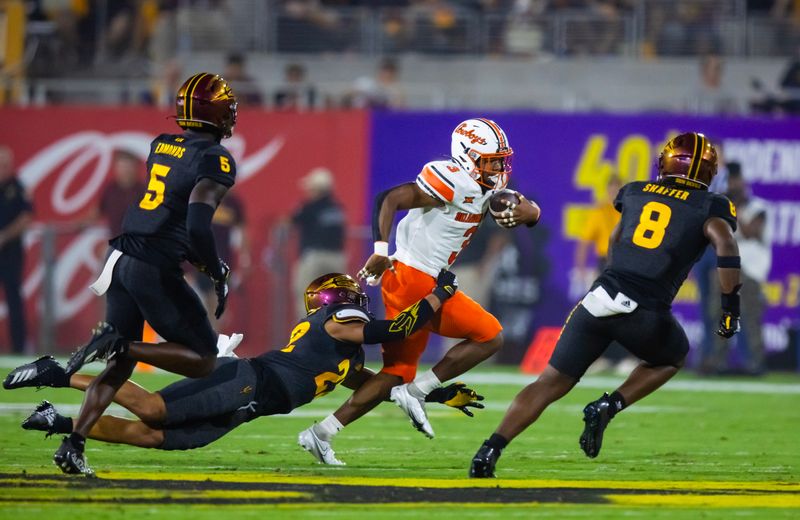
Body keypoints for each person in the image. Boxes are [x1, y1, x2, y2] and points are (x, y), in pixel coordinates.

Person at [5, 72, 239, 475]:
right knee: (202, 359)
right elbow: (199, 225)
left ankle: (73, 442)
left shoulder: (161, 144)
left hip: (122, 257)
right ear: (215, 113)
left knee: (118, 367)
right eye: (228, 108)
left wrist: (200, 260)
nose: (232, 115)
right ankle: (118, 344)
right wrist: (216, 269)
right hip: (153, 265)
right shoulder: (215, 159)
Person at [13, 272, 480, 473]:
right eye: (354, 296)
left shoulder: (344, 354)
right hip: (248, 381)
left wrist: (433, 395)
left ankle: (59, 421)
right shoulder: (340, 323)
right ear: (337, 301)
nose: (361, 301)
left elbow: (374, 386)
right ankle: (58, 372)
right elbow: (398, 326)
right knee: (154, 410)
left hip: (249, 406)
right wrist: (438, 295)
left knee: (155, 437)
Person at [469, 132, 741, 478]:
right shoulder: (712, 205)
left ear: (666, 162)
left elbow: (615, 238)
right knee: (672, 356)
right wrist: (730, 307)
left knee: (548, 382)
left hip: (600, 298)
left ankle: (488, 451)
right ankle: (608, 405)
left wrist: (616, 277)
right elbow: (726, 246)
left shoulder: (635, 190)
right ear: (708, 170)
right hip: (645, 309)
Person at [298, 118, 540, 465]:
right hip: (415, 277)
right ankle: (418, 391)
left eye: (501, 160)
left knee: (397, 372)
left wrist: (528, 210)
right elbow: (389, 198)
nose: (499, 167)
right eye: (490, 160)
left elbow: (528, 212)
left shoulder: (486, 186)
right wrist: (381, 249)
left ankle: (321, 433)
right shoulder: (452, 180)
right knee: (490, 336)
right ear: (467, 156)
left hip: (409, 279)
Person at [707, 166, 770, 375]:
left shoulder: (758, 207)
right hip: (728, 265)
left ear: (744, 183)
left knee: (750, 316)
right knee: (720, 312)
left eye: (737, 182)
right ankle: (718, 361)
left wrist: (734, 208)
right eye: (730, 182)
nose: (734, 186)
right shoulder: (726, 208)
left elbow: (750, 231)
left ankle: (756, 362)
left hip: (751, 270)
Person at [290, 168, 347, 320]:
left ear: (317, 189)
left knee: (307, 298)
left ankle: (307, 334)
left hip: (314, 258)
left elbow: (292, 222)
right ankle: (334, 335)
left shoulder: (309, 207)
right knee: (336, 300)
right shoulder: (338, 208)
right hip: (337, 258)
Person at [194, 191, 251, 329]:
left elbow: (242, 232)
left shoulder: (233, 203)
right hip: (197, 261)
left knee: (216, 309)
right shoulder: (198, 200)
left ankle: (213, 344)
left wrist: (245, 260)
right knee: (198, 307)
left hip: (222, 261)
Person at [0, 145, 33, 354]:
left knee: (14, 298)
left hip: (10, 252)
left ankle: (19, 347)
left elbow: (26, 218)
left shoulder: (18, 188)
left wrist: (4, 236)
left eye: (5, 165)